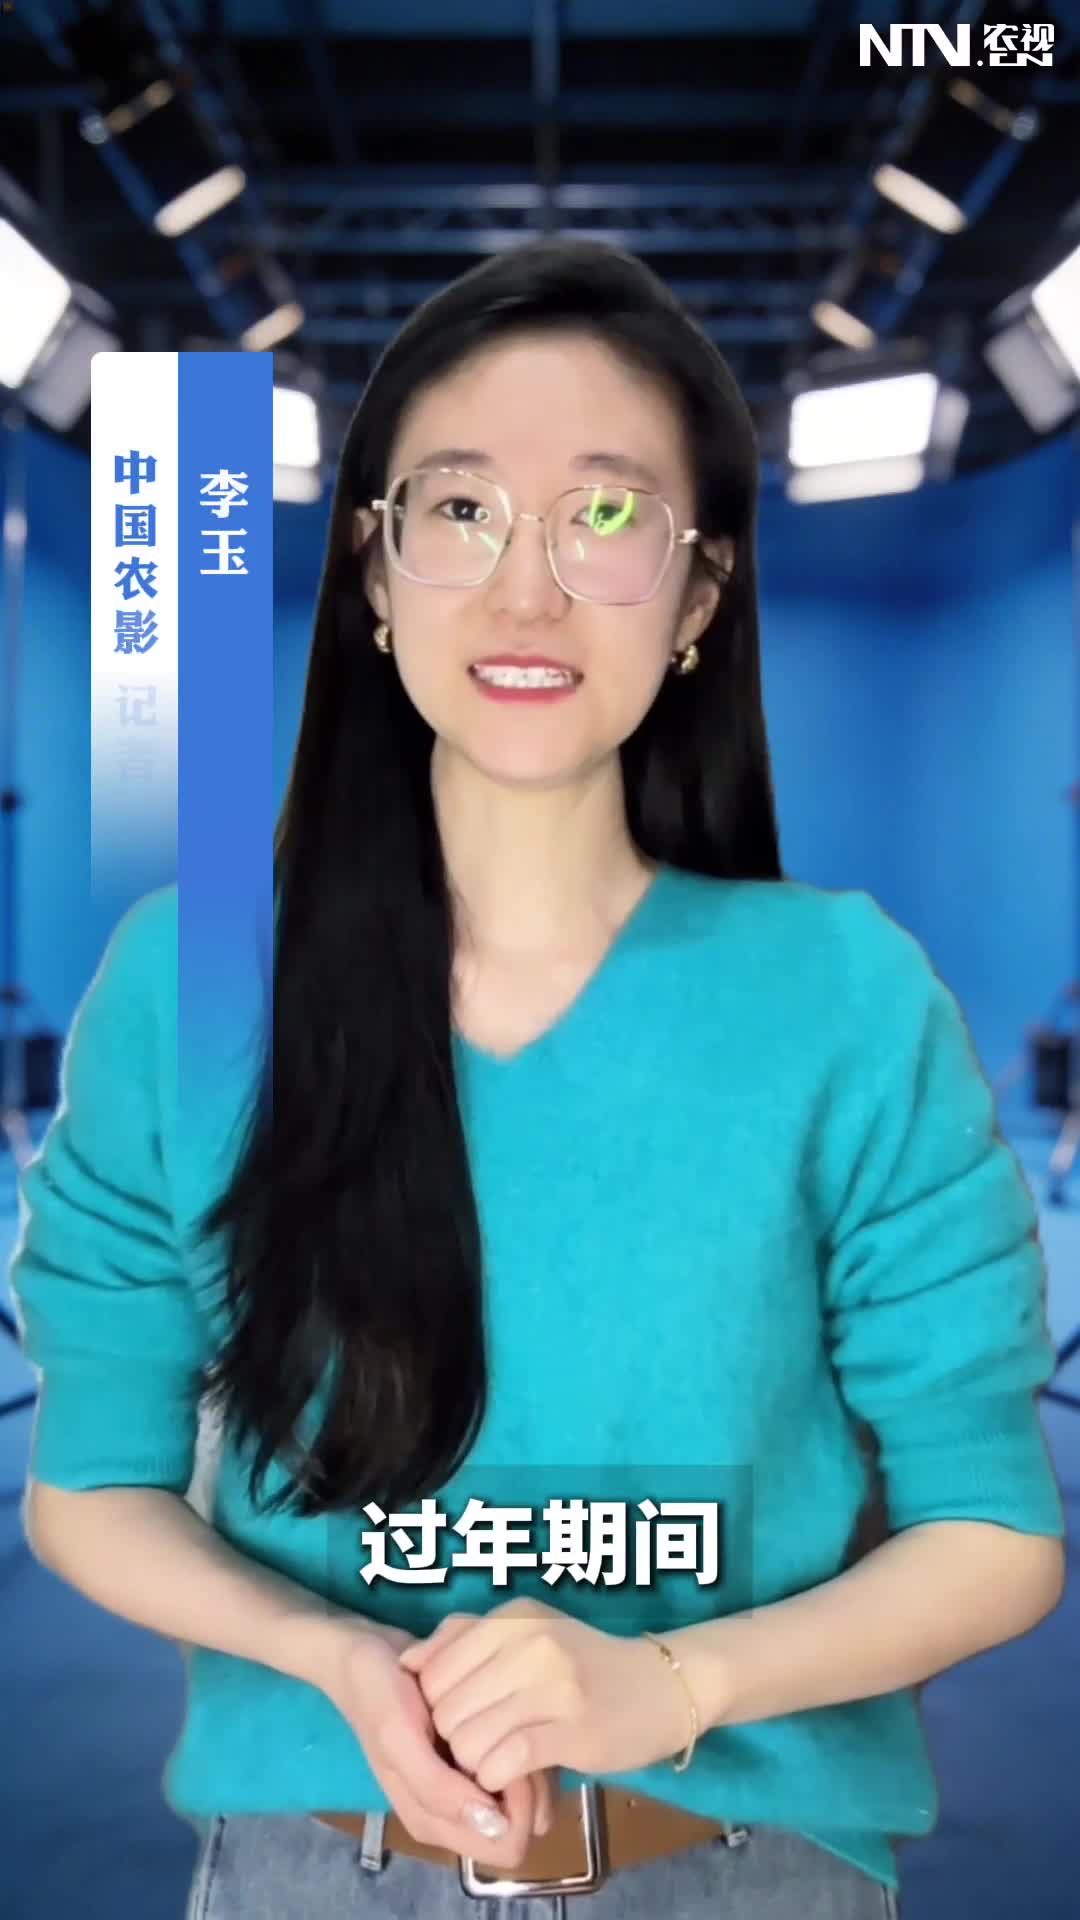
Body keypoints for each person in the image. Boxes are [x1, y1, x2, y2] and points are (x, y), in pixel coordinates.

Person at [10, 238, 1066, 1920]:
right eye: (461, 509)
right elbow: (94, 1487)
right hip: (309, 1876)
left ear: (699, 597)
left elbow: (992, 1534)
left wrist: (674, 1687)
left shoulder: (847, 999)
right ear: (375, 572)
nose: (527, 592)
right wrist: (336, 1655)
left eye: (607, 514)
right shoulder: (188, 983)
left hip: (752, 1882)